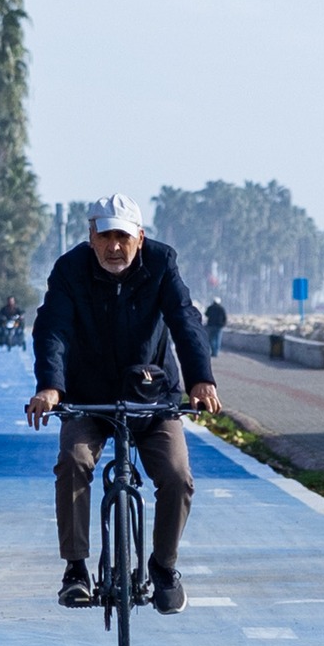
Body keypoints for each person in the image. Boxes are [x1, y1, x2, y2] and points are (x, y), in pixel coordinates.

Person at [27, 193, 222, 614]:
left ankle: (164, 567)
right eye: (105, 237)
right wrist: (51, 388)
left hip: (153, 399)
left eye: (123, 237)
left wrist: (201, 381)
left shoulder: (162, 263)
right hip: (88, 400)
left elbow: (185, 320)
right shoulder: (69, 270)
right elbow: (52, 330)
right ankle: (76, 569)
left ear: (139, 237)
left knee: (177, 477)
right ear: (91, 236)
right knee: (73, 463)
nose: (114, 247)